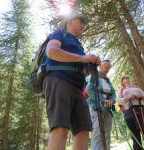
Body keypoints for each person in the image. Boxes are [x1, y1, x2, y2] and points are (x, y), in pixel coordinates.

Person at [43, 12, 101, 150]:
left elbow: (80, 67)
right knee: (60, 127)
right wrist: (84, 58)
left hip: (78, 88)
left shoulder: (79, 45)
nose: (83, 25)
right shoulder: (59, 33)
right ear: (69, 21)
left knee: (82, 131)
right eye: (80, 21)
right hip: (58, 80)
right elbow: (51, 52)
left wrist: (90, 63)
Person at [117, 76, 144, 150]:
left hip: (141, 109)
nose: (126, 79)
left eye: (127, 78)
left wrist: (140, 96)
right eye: (124, 79)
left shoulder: (137, 88)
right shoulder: (121, 90)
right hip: (129, 112)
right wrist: (127, 97)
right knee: (135, 135)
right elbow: (119, 100)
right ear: (122, 82)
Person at [86, 60, 116, 150]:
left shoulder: (107, 80)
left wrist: (111, 100)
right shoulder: (94, 76)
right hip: (97, 108)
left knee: (107, 133)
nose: (107, 69)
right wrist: (103, 100)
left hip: (108, 109)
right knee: (98, 133)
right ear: (100, 67)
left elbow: (113, 93)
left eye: (109, 68)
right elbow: (89, 90)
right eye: (106, 67)